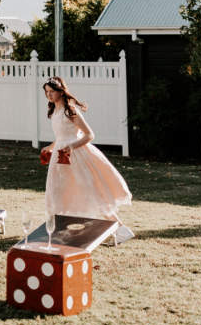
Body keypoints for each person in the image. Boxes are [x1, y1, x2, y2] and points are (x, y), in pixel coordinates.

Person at [41, 76, 133, 240]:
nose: (49, 95)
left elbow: (90, 135)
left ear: (61, 92)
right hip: (60, 158)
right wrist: (51, 147)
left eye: (52, 91)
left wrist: (71, 147)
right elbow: (61, 136)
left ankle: (120, 229)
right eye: (46, 92)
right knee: (59, 192)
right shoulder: (54, 111)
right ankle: (59, 229)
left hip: (76, 156)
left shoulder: (71, 110)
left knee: (90, 192)